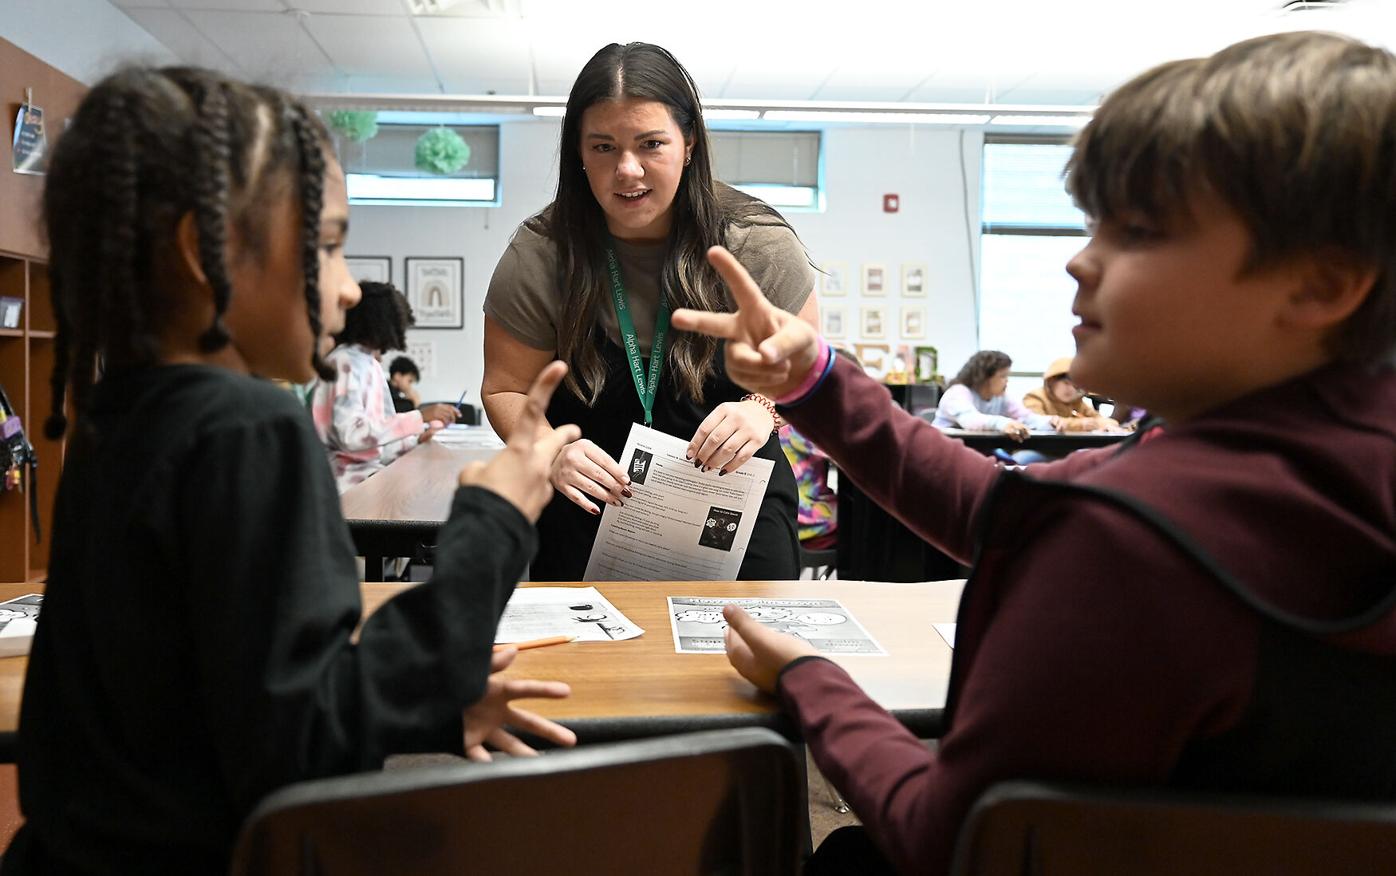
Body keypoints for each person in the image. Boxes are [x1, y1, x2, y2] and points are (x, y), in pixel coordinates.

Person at [671, 30, 1396, 875]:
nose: (1079, 260)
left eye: (1140, 232)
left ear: (1321, 283)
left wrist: (811, 680)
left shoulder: (1127, 545)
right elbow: (1003, 511)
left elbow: (953, 834)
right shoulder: (1307, 463)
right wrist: (816, 380)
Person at [10, 66, 582, 874]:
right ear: (199, 252)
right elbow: (303, 750)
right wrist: (492, 521)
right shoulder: (248, 428)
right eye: (327, 245)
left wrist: (417, 703)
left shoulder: (125, 418)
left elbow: (228, 703)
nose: (348, 289)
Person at [482, 42, 817, 581]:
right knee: (590, 665)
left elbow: (803, 372)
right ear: (579, 154)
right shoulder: (542, 254)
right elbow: (505, 388)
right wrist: (546, 449)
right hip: (590, 501)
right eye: (604, 147)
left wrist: (759, 408)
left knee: (741, 659)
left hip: (733, 507)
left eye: (651, 144)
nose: (627, 170)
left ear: (688, 144)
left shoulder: (756, 243)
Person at [310, 281, 459, 491]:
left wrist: (415, 440)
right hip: (341, 484)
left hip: (367, 476)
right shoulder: (343, 363)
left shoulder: (370, 365)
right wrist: (419, 417)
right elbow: (352, 436)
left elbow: (380, 441)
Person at [931, 350, 1061, 440]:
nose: (1007, 380)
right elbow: (970, 420)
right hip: (944, 454)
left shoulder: (1001, 397)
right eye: (1002, 376)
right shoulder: (957, 393)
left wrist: (1049, 422)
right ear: (985, 377)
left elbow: (1025, 418)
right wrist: (1003, 423)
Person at [1022, 356, 1119, 431]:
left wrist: (1107, 425)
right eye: (1066, 383)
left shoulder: (1077, 402)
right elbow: (1036, 423)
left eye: (1077, 387)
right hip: (1041, 447)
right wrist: (1081, 425)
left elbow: (1103, 420)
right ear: (1051, 381)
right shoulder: (1034, 398)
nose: (1071, 390)